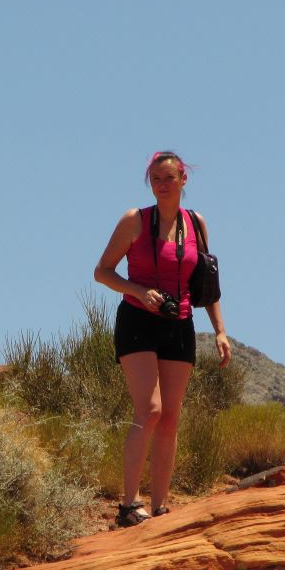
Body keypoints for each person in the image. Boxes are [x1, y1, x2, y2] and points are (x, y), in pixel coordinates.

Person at [93, 151, 232, 527]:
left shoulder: (196, 224)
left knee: (170, 417)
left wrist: (219, 330)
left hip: (180, 323)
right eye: (155, 178)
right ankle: (128, 505)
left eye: (169, 177)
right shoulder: (135, 221)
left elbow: (206, 283)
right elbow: (102, 271)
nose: (162, 184)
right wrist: (138, 291)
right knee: (149, 410)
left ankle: (159, 508)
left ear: (184, 180)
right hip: (137, 320)